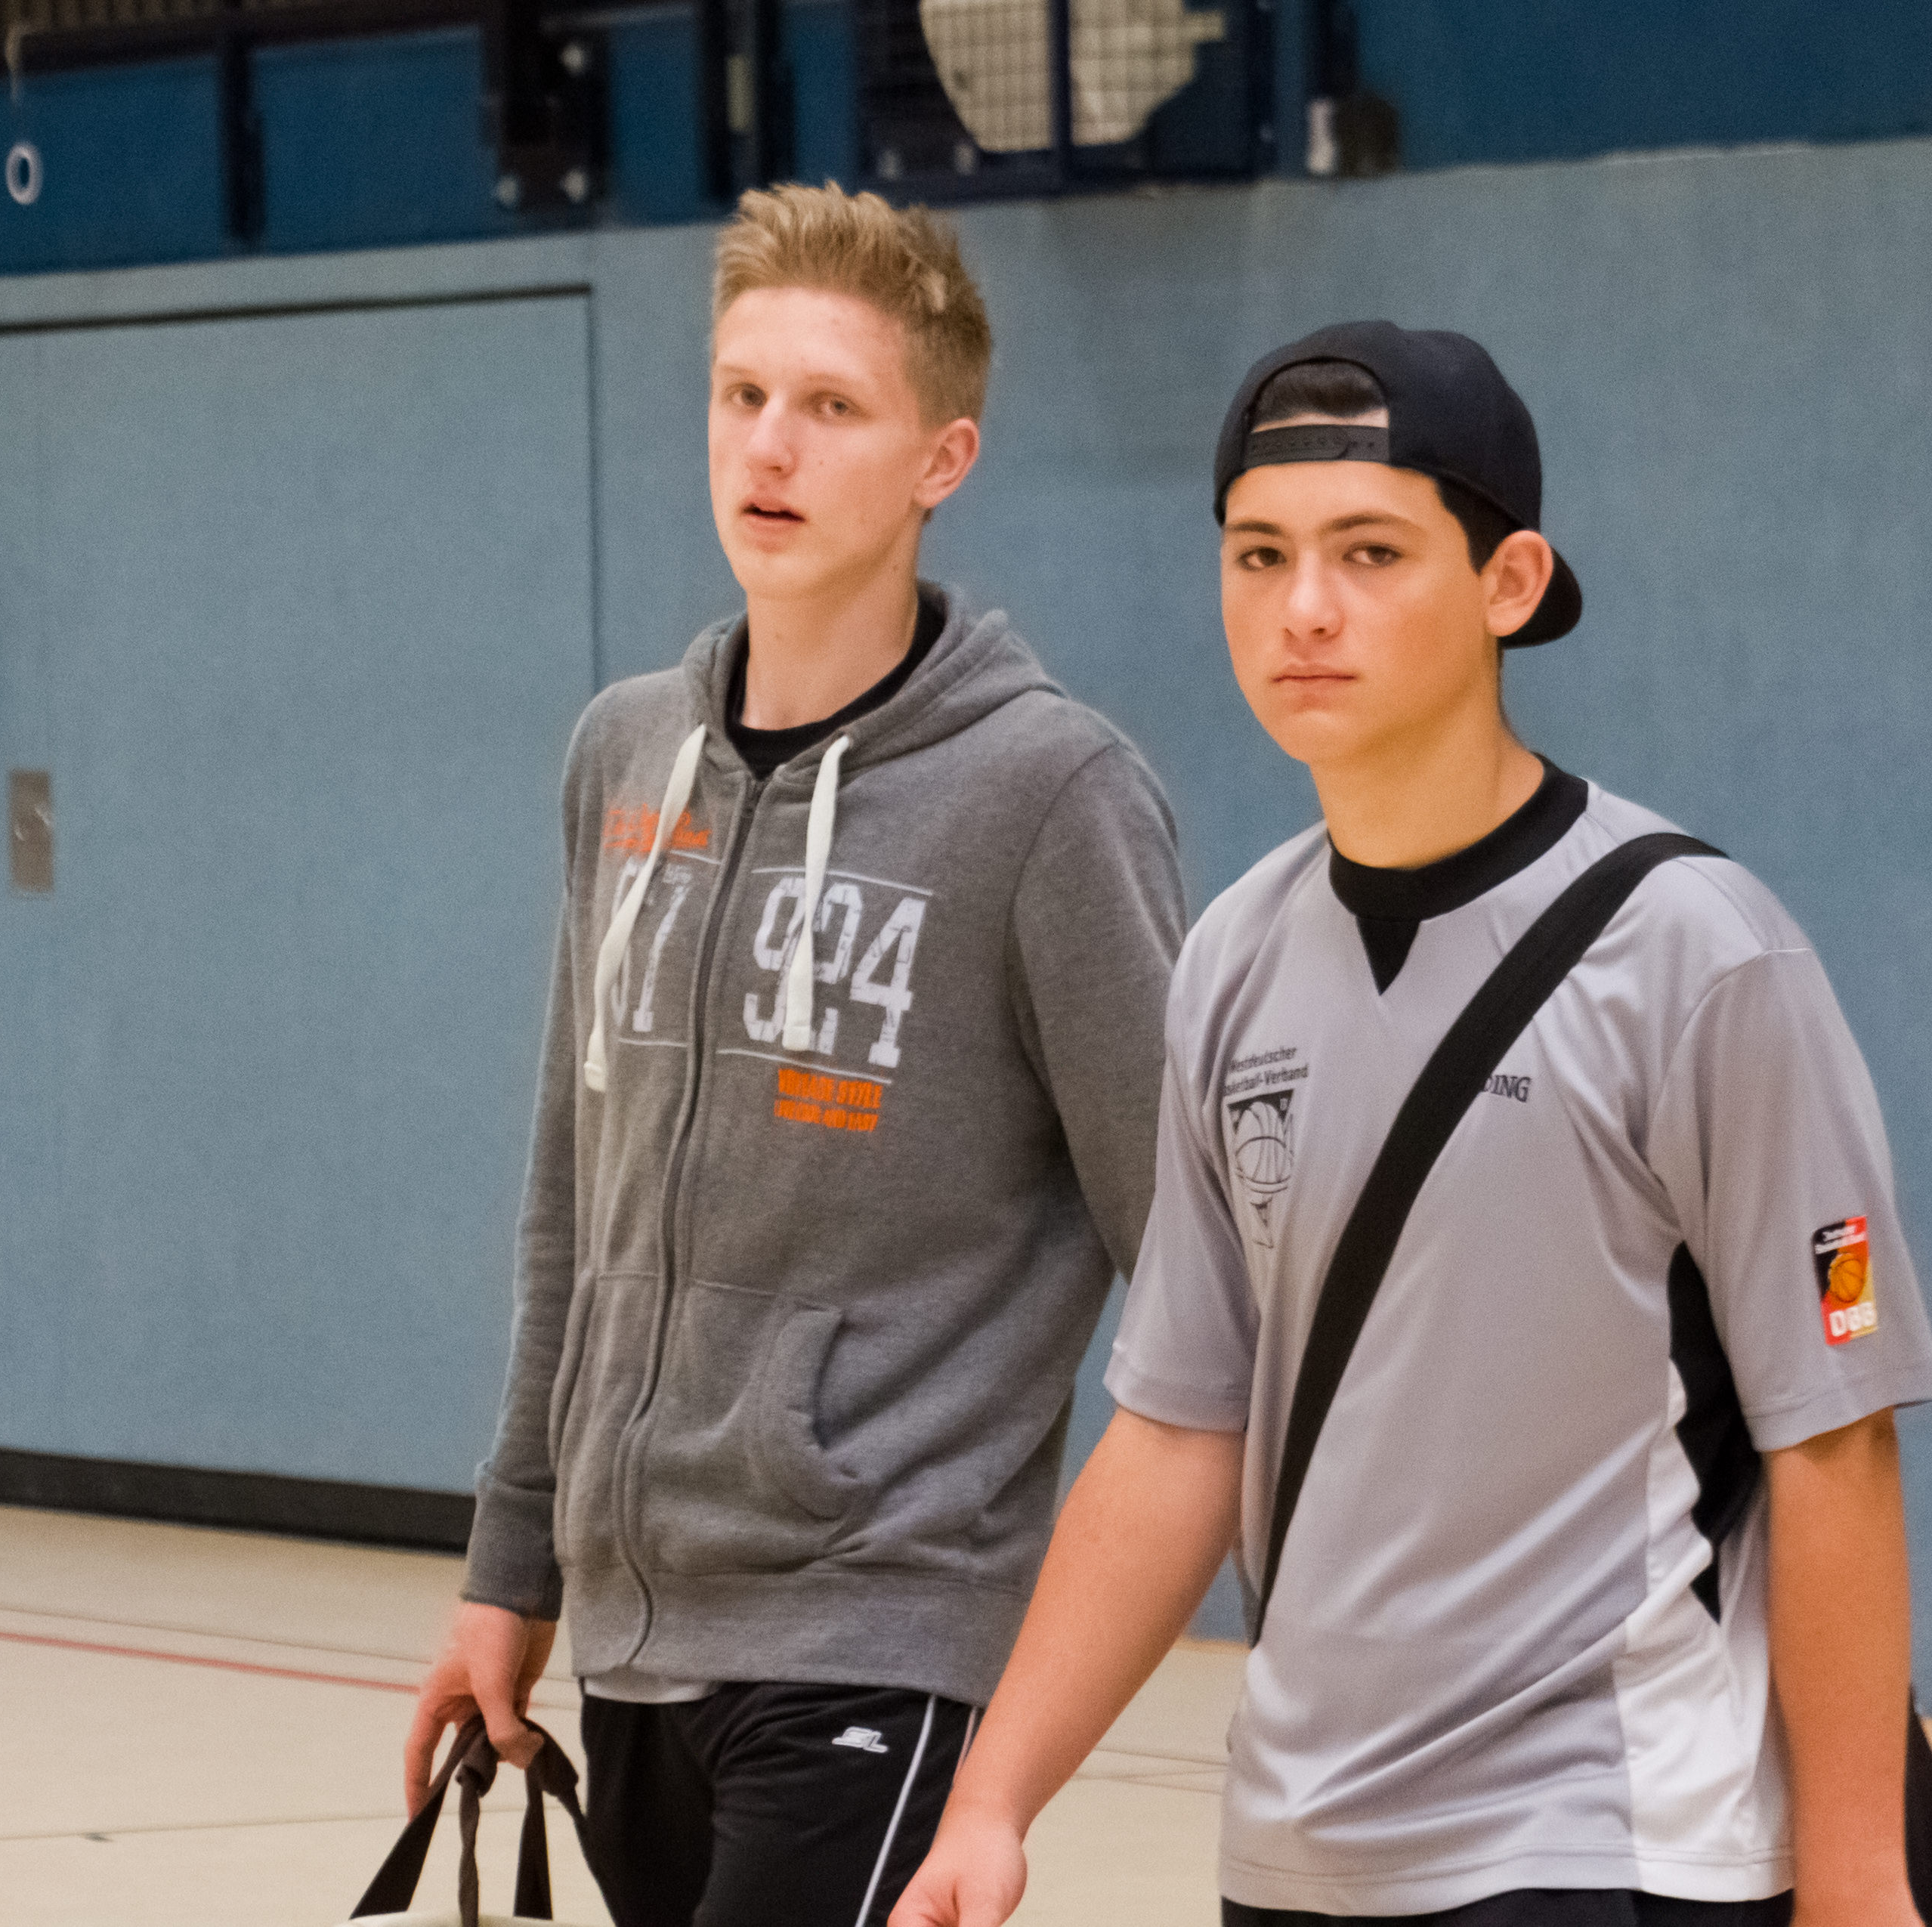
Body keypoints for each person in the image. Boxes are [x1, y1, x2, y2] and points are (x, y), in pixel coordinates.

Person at [891, 323, 1932, 1927]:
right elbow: (1177, 1431)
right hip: (1298, 1851)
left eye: (1369, 553)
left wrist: (1860, 1884)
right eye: (1259, 554)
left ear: (1509, 582)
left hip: (1612, 1846)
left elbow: (1833, 1436)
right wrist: (993, 1800)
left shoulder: (1699, 956)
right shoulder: (1231, 958)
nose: (1302, 608)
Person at [405, 182, 1185, 1927]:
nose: (769, 444)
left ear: (939, 458)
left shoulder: (1047, 795)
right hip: (632, 1641)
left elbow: (1199, 1270)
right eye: (741, 393)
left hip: (878, 1633)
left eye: (830, 405)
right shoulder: (624, 755)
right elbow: (572, 1204)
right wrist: (509, 1563)